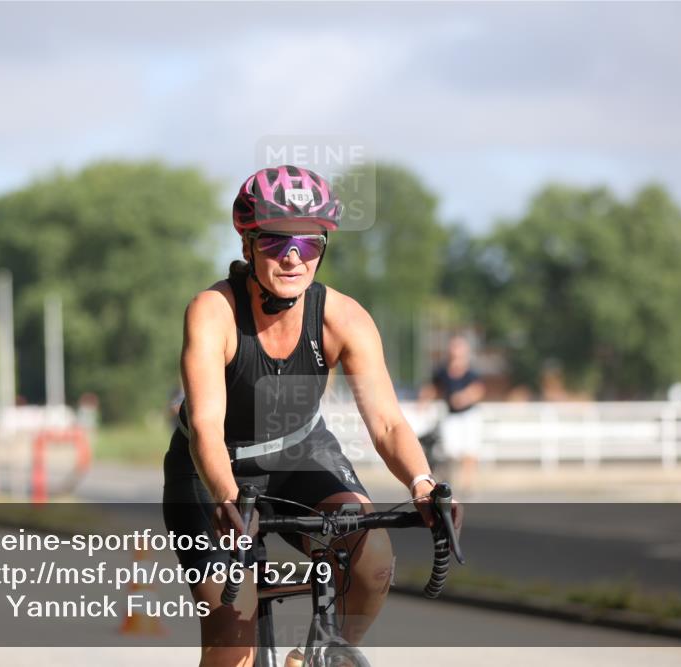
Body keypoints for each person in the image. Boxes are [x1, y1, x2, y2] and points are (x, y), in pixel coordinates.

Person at [162, 165, 463, 667]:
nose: (294, 258)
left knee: (371, 563)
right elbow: (207, 427)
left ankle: (313, 658)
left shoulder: (343, 318)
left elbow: (387, 423)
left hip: (299, 449)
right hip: (211, 468)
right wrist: (227, 497)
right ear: (248, 246)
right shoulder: (212, 312)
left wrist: (422, 483)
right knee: (233, 637)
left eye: (310, 244)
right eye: (278, 243)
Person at [419, 336, 485, 498]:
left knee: (470, 451)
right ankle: (450, 481)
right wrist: (423, 400)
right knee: (449, 451)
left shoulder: (471, 371)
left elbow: (478, 390)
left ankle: (468, 485)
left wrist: (464, 397)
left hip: (469, 415)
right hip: (451, 416)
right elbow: (433, 388)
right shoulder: (442, 371)